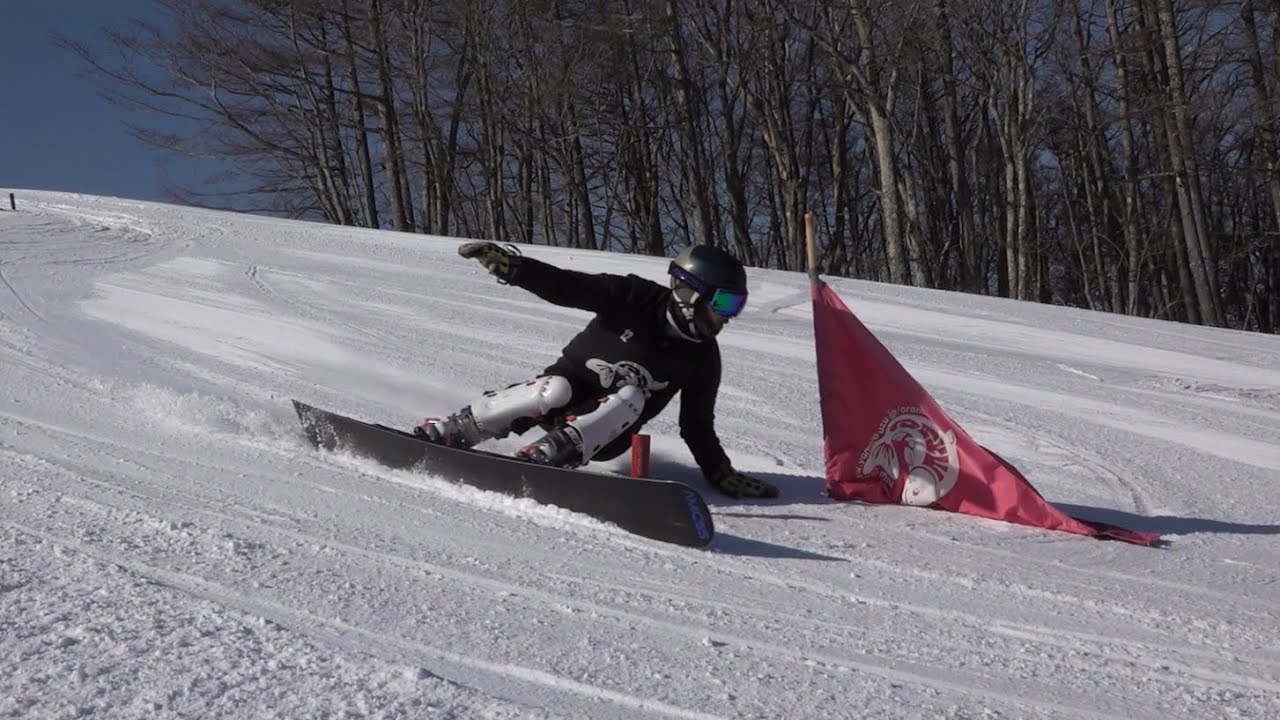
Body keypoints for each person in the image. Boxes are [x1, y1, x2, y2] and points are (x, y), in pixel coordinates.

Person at [415, 241, 779, 499]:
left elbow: (697, 427)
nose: (730, 316)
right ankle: (457, 429)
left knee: (632, 395)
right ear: (691, 294)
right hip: (553, 403)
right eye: (725, 302)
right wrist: (517, 269)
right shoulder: (634, 298)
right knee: (555, 388)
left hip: (603, 436)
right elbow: (568, 286)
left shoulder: (703, 358)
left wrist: (721, 473)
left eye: (738, 305)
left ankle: (551, 455)